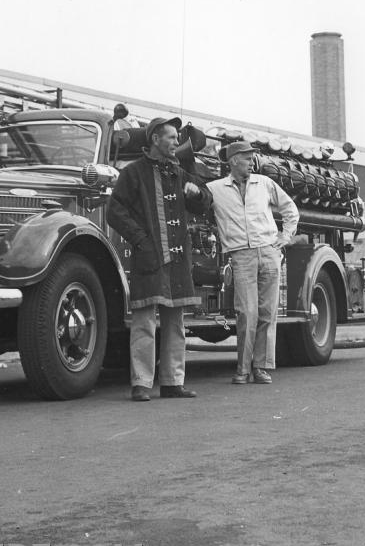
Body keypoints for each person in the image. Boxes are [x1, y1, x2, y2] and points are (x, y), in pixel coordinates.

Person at [106, 116, 212, 402]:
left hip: (178, 260)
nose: (177, 141)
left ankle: (172, 383)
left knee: (175, 322)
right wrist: (141, 240)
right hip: (149, 257)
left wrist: (197, 192)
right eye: (171, 137)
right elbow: (114, 211)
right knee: (144, 322)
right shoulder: (133, 173)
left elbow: (206, 201)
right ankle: (141, 383)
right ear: (155, 139)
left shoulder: (179, 173)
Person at [207, 140, 299, 385]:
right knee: (246, 312)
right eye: (247, 158)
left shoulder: (265, 183)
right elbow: (197, 204)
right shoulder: (215, 189)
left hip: (268, 252)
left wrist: (285, 236)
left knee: (267, 312)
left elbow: (290, 209)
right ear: (234, 160)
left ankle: (261, 367)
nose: (252, 162)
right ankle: (242, 368)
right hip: (241, 255)